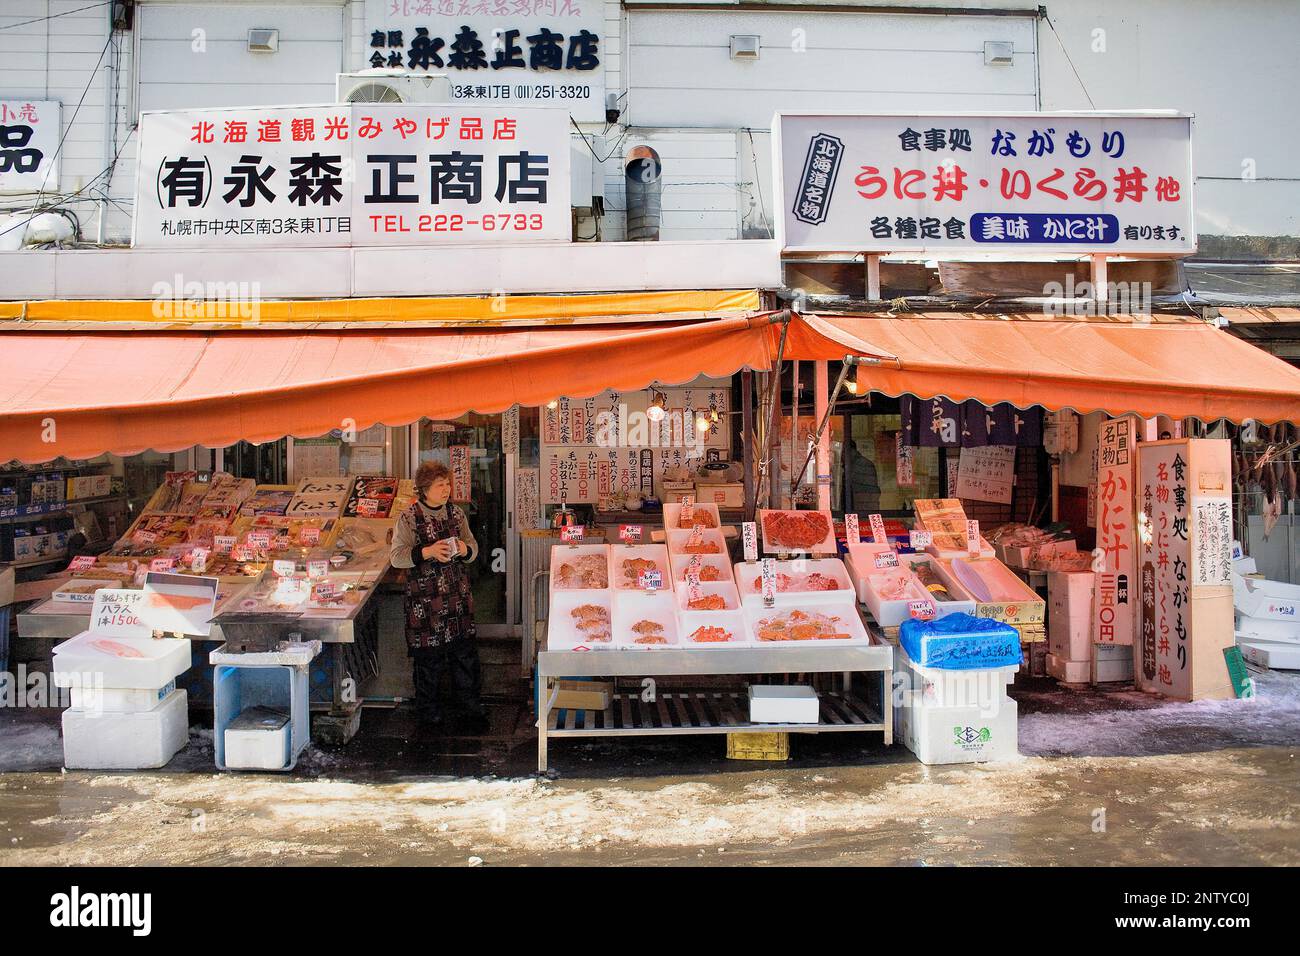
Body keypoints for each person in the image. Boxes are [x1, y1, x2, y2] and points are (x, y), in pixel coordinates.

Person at [389, 462, 489, 734]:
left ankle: (469, 708)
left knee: (464, 655)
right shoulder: (409, 517)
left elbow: (474, 549)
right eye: (439, 485)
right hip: (425, 600)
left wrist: (464, 548)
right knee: (428, 660)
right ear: (424, 489)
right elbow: (397, 556)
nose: (446, 490)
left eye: (447, 484)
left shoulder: (456, 514)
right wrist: (428, 551)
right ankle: (429, 713)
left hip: (457, 595)